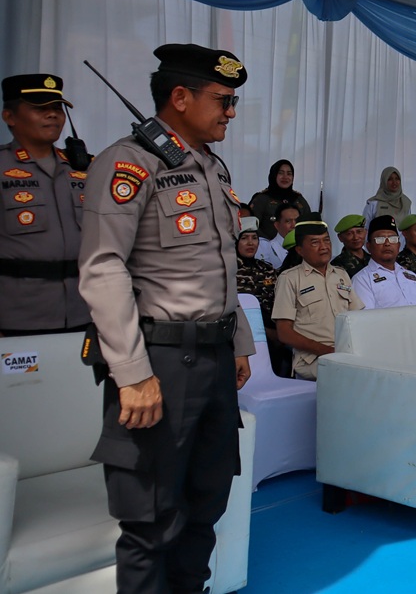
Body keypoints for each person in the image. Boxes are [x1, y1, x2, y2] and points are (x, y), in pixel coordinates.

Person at [77, 43, 255, 593]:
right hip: (160, 363)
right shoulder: (128, 163)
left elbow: (220, 263)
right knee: (151, 521)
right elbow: (103, 267)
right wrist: (131, 374)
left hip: (215, 358)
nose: (231, 112)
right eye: (223, 100)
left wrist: (239, 343)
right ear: (180, 97)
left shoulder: (211, 167)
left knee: (205, 505)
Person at [0, 73, 90, 335]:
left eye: (57, 108)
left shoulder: (84, 167)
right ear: (9, 117)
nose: (52, 115)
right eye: (40, 109)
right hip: (18, 316)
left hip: (84, 312)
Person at [271, 219, 364, 380]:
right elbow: (284, 333)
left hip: (345, 355)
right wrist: (328, 351)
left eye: (326, 240)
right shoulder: (290, 278)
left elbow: (358, 318)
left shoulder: (341, 274)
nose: (324, 247)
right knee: (355, 376)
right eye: (315, 242)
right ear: (300, 250)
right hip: (312, 360)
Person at [234, 217, 290, 377]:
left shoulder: (267, 269)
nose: (250, 243)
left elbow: (279, 301)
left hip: (274, 335)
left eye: (254, 238)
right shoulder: (229, 270)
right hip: (243, 336)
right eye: (244, 238)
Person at [351, 215, 416, 309]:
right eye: (380, 239)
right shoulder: (362, 280)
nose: (387, 243)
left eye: (393, 239)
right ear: (369, 246)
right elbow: (366, 316)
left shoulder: (412, 276)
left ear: (398, 245)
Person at [247, 159, 310, 240]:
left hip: (296, 245)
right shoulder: (262, 199)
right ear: (274, 175)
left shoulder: (299, 199)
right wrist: (266, 243)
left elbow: (309, 224)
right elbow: (251, 226)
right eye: (281, 173)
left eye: (289, 174)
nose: (285, 177)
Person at [256, 201, 299, 268]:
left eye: (297, 221)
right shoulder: (267, 248)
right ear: (277, 225)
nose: (294, 225)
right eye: (288, 221)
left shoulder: (307, 247)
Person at [330, 213, 370, 278]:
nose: (356, 237)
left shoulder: (373, 259)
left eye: (359, 232)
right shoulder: (336, 265)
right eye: (349, 233)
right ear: (340, 238)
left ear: (366, 233)